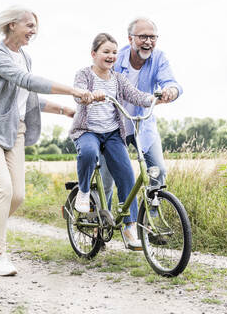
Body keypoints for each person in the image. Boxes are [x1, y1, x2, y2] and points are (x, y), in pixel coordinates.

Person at [0, 6, 94, 276]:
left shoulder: (25, 56)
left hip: (15, 130)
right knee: (3, 189)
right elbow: (25, 80)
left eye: (35, 26)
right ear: (12, 25)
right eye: (29, 25)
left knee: (18, 195)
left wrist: (65, 109)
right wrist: (72, 90)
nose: (33, 31)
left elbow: (29, 98)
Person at [69, 33, 160, 250]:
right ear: (94, 54)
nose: (111, 56)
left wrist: (153, 98)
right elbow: (78, 93)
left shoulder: (118, 79)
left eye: (114, 52)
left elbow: (135, 95)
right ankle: (83, 192)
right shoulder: (84, 74)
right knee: (89, 153)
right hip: (87, 131)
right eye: (106, 52)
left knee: (126, 174)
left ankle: (129, 227)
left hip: (111, 133)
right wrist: (88, 94)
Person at [100, 17, 183, 204]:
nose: (148, 42)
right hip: (113, 128)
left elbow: (172, 82)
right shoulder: (115, 59)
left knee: (158, 171)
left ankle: (150, 223)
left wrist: (171, 91)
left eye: (152, 37)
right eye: (143, 37)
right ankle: (99, 222)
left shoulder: (159, 58)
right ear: (130, 39)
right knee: (106, 181)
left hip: (142, 125)